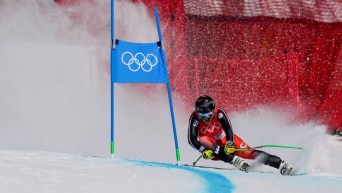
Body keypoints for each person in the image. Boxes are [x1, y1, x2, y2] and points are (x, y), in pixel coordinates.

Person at [187, 95, 293, 175]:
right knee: (204, 139)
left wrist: (229, 143)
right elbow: (191, 138)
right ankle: (233, 160)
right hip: (212, 150)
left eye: (208, 115)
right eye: (201, 115)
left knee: (249, 152)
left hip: (224, 138)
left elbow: (228, 129)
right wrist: (203, 150)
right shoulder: (195, 118)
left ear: (213, 111)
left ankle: (280, 164)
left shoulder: (219, 113)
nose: (204, 119)